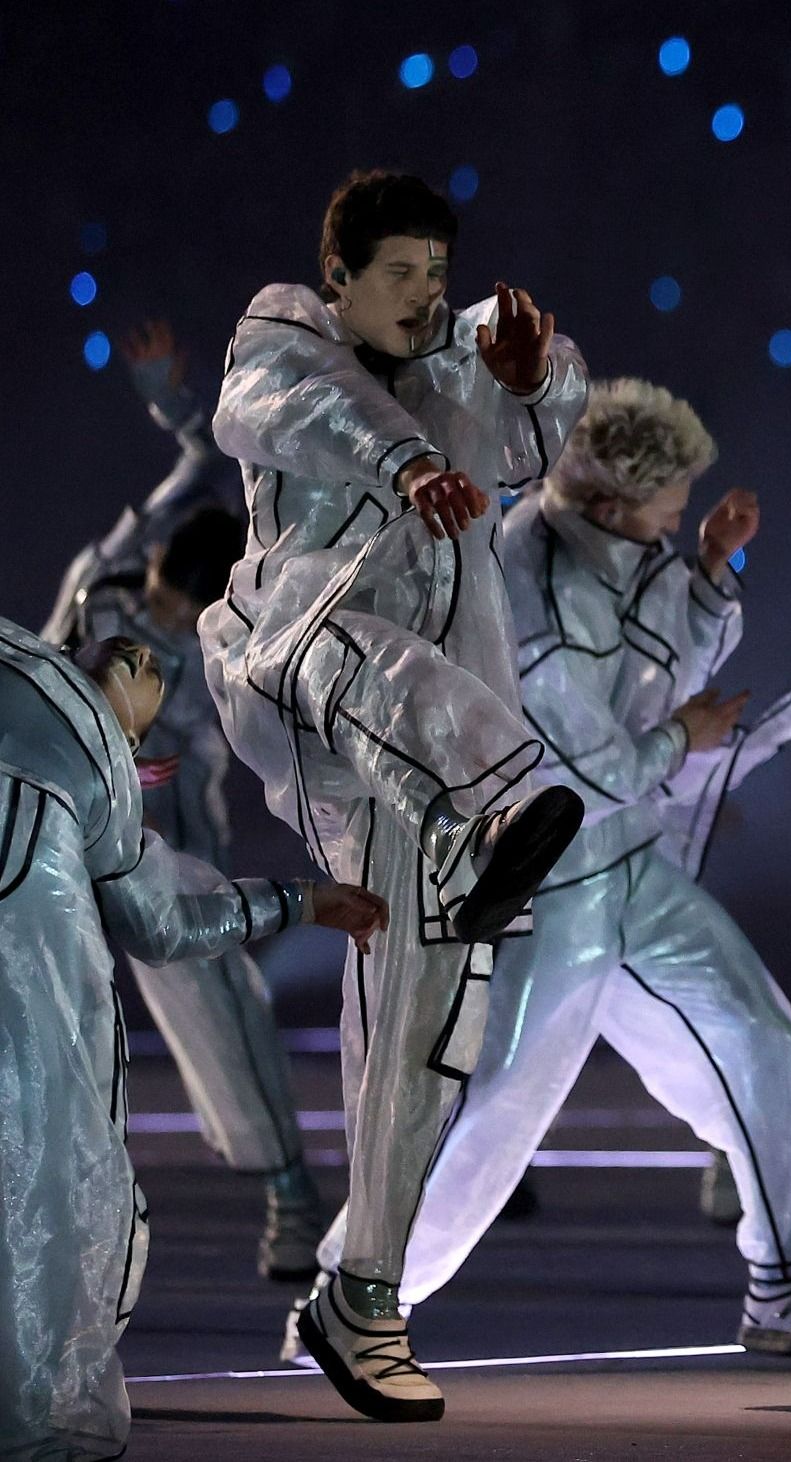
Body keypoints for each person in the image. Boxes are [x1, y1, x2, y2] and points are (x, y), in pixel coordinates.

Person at [308, 378, 791, 1352]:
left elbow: (673, 657)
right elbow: (575, 763)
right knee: (493, 1103)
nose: (677, 516)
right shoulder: (520, 576)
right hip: (552, 870)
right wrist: (676, 744)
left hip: (630, 862)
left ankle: (787, 1285)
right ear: (611, 500)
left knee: (758, 1035)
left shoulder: (623, 546)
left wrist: (713, 567)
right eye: (672, 503)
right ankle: (357, 1286)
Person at [202, 169, 590, 1422]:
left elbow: (538, 436)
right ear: (340, 280)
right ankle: (500, 807)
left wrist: (530, 382)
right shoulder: (283, 335)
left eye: (437, 272)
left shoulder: (466, 353)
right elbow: (297, 407)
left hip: (428, 761)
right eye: (398, 274)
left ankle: (361, 1295)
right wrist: (410, 459)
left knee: (422, 1029)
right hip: (304, 675)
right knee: (373, 656)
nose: (423, 298)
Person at [0, 620, 383, 1461]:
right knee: (55, 1228)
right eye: (143, 721)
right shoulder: (87, 738)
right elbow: (164, 920)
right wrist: (303, 902)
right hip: (27, 1045)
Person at [44, 321, 332, 1281]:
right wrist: (169, 399)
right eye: (164, 595)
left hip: (162, 850)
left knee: (225, 1010)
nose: (163, 615)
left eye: (181, 609)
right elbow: (202, 458)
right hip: (57, 833)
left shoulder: (234, 654)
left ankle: (291, 1193)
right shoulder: (102, 589)